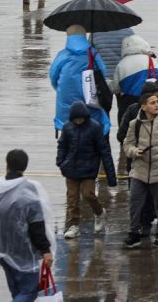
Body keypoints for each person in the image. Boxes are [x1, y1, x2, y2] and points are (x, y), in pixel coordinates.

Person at [0, 149, 54, 301]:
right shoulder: (29, 190)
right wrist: (45, 250)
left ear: (7, 164)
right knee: (29, 292)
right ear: (25, 167)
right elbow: (36, 225)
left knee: (16, 291)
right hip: (23, 251)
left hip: (0, 248)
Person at [122, 90, 158, 249]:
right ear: (144, 106)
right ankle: (134, 233)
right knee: (135, 203)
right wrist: (134, 152)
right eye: (152, 102)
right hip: (138, 170)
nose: (156, 105)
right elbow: (127, 144)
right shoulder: (135, 124)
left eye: (157, 102)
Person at [56, 101, 117, 239]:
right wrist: (61, 162)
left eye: (81, 118)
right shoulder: (67, 128)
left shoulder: (94, 128)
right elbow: (62, 145)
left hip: (89, 168)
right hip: (70, 169)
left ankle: (100, 212)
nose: (78, 121)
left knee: (88, 194)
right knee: (72, 198)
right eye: (76, 119)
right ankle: (74, 225)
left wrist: (111, 177)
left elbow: (104, 152)